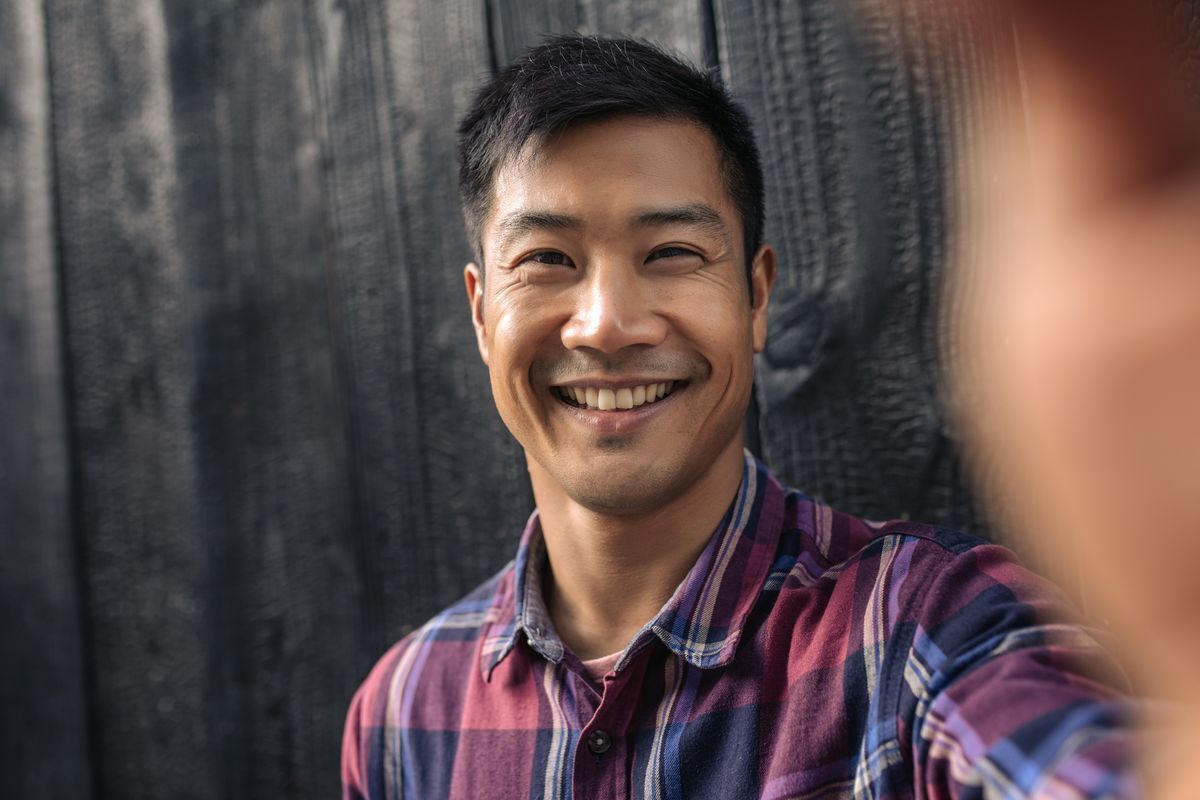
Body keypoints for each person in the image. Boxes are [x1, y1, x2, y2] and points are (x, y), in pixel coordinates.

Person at [341, 35, 1136, 799]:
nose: (609, 323)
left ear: (756, 296)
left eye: (673, 253)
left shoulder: (928, 631)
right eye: (548, 259)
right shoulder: (401, 716)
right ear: (482, 315)